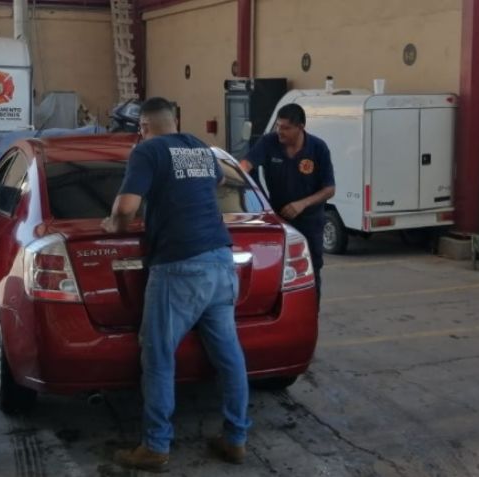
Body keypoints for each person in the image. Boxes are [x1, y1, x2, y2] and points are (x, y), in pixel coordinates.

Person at [103, 97, 250, 472]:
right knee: (229, 357)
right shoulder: (199, 147)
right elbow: (221, 180)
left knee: (158, 356)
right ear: (175, 121)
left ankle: (155, 447)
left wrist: (113, 225)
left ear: (143, 127)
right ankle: (235, 439)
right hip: (221, 260)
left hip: (180, 265)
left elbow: (125, 208)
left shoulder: (147, 151)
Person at [239, 103, 335, 299]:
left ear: (300, 127)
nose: (279, 131)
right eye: (278, 126)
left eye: (285, 128)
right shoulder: (269, 142)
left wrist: (302, 204)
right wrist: (238, 174)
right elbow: (246, 165)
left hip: (310, 223)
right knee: (279, 271)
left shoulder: (318, 148)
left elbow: (329, 189)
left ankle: (311, 313)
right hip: (279, 220)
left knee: (310, 271)